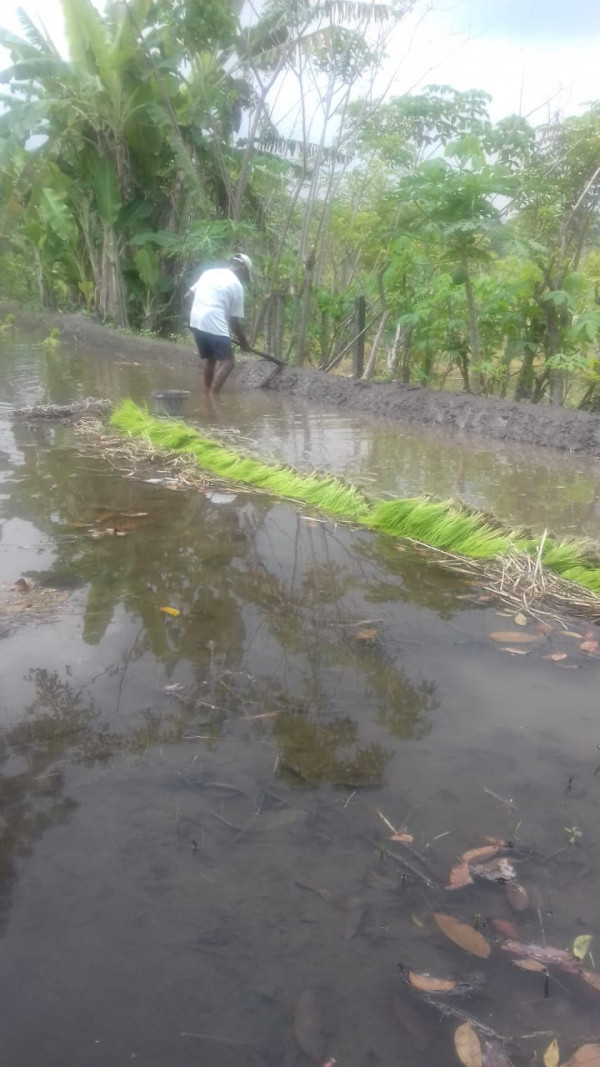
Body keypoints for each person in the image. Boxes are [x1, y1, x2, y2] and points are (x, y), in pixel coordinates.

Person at [184, 254, 253, 395]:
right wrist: (244, 342)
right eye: (245, 276)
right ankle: (211, 398)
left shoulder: (209, 273)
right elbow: (233, 322)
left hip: (196, 320)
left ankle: (206, 391)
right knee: (228, 362)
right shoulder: (236, 286)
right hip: (214, 322)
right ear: (241, 268)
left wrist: (192, 318)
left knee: (211, 359)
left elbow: (186, 297)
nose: (243, 280)